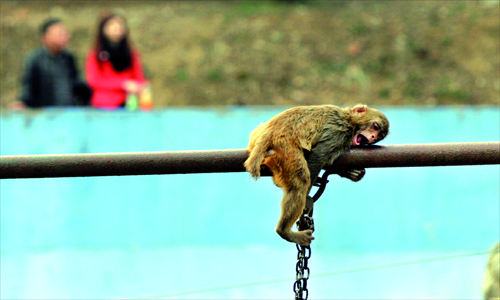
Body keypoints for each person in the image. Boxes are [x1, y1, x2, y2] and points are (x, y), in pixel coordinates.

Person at [15, 18, 91, 109]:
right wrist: (23, 102)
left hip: (68, 112)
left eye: (65, 33)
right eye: (59, 34)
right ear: (44, 37)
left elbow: (77, 84)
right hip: (45, 113)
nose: (64, 37)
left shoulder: (69, 58)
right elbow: (28, 86)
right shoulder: (35, 59)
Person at [85, 12, 147, 109]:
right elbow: (94, 81)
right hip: (104, 106)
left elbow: (139, 78)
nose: (116, 27)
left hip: (129, 104)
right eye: (112, 24)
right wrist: (123, 84)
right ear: (103, 29)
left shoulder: (132, 53)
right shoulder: (96, 54)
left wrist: (140, 87)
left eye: (120, 24)